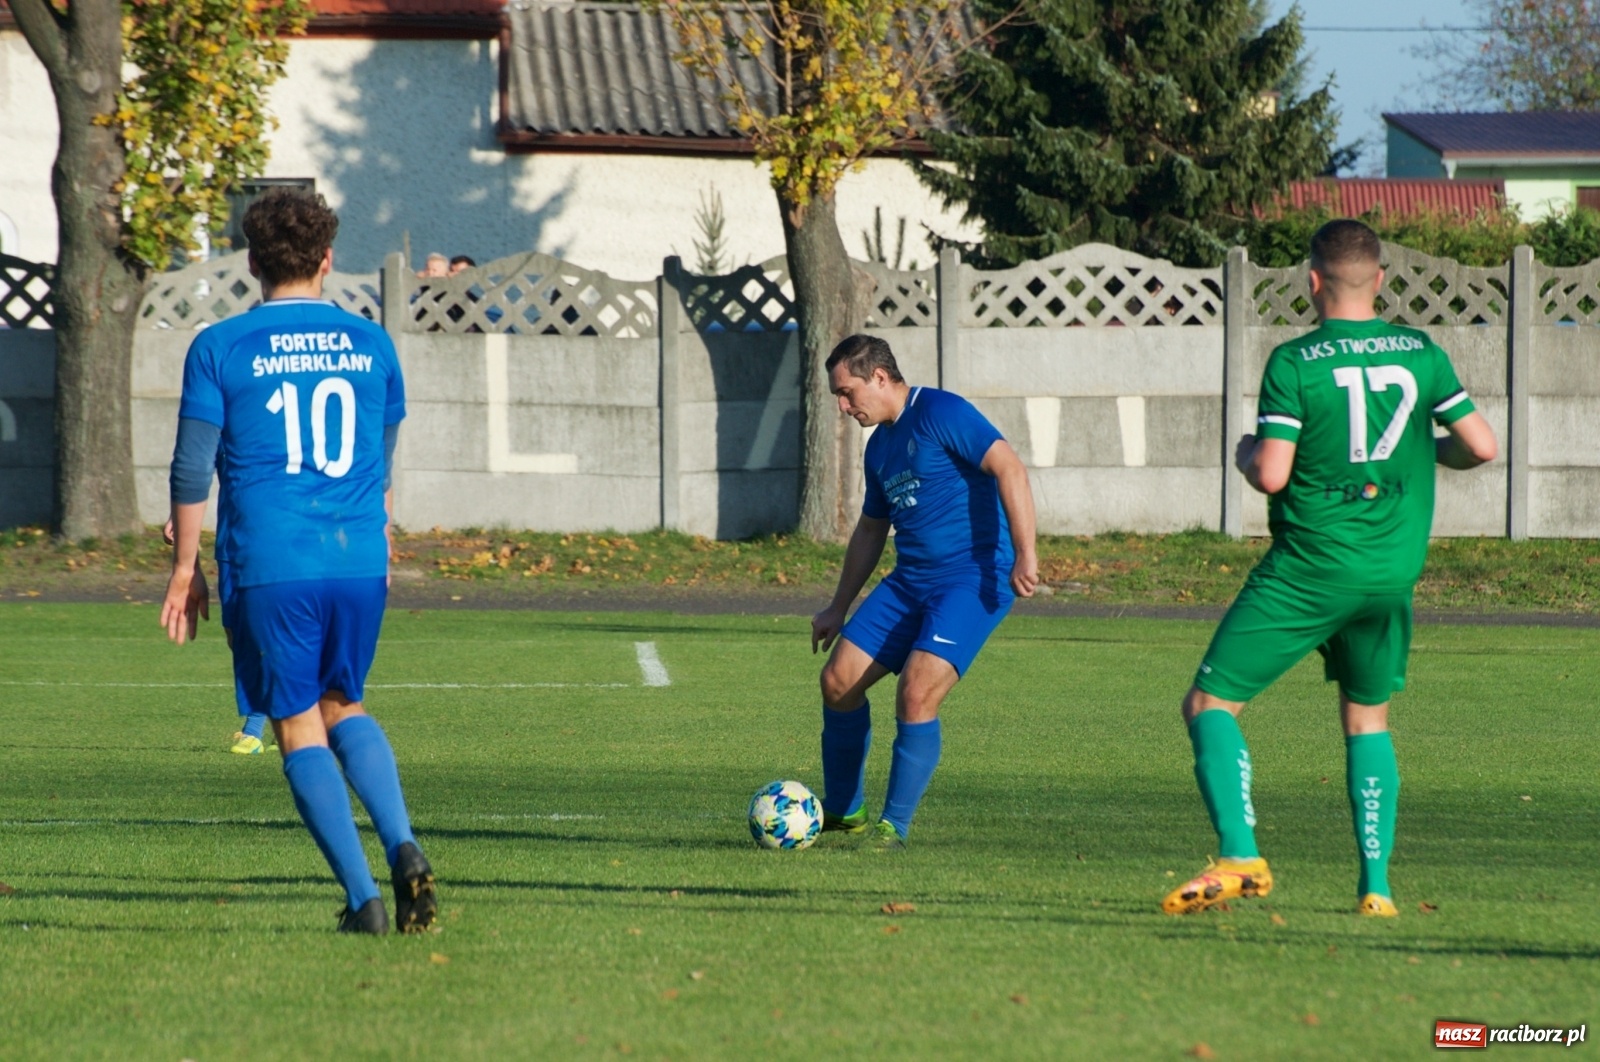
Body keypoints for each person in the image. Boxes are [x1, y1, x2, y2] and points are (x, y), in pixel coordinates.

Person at [1162, 219, 1497, 918]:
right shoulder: (1420, 352)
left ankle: (1240, 852)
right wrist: (1424, 452)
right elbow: (1482, 446)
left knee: (1209, 704)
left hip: (1311, 569)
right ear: (1380, 280)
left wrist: (1246, 452)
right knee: (1367, 719)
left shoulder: (1295, 362)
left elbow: (1274, 476)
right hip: (1391, 576)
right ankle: (1376, 888)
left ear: (1311, 281)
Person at [160, 188, 437, 935]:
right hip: (357, 558)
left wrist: (186, 568)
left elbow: (192, 471)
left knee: (293, 723)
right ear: (327, 260)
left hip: (272, 558)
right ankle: (405, 845)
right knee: (344, 701)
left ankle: (364, 901)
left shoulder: (220, 347)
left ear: (253, 263)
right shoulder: (372, 344)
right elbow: (380, 458)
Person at [810, 334, 1038, 849]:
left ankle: (895, 825)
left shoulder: (941, 411)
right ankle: (846, 811)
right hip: (911, 580)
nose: (843, 407)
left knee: (916, 690)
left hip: (971, 578)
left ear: (880, 377)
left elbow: (1009, 468)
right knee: (838, 680)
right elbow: (871, 529)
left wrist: (1026, 553)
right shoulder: (881, 448)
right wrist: (837, 606)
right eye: (837, 398)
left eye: (847, 393)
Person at [162, 514, 273, 754]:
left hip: (279, 540)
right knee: (236, 636)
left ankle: (254, 730)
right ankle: (290, 715)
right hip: (231, 542)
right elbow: (199, 475)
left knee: (264, 636)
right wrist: (178, 513)